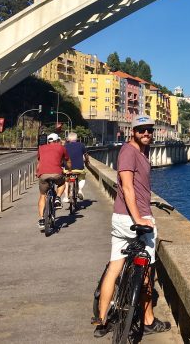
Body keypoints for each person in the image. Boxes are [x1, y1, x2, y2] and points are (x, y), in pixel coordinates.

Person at [93, 115, 170, 338]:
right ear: (132, 132)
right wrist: (138, 218)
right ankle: (147, 320)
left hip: (122, 218)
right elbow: (127, 188)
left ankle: (102, 319)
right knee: (146, 271)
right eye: (141, 130)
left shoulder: (141, 152)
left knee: (114, 267)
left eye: (149, 130)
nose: (146, 133)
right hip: (133, 219)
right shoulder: (128, 151)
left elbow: (138, 186)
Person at [35, 132, 71, 230]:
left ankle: (42, 220)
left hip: (43, 175)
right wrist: (69, 169)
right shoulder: (61, 147)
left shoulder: (41, 148)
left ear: (48, 141)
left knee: (42, 195)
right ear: (57, 141)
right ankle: (58, 198)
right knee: (62, 183)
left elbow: (39, 163)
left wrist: (36, 173)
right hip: (57, 174)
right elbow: (67, 161)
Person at [64, 132, 89, 202]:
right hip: (79, 168)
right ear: (76, 138)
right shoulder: (81, 145)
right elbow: (86, 155)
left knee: (66, 181)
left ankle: (66, 196)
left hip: (68, 169)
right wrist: (87, 162)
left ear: (68, 139)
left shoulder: (65, 146)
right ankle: (80, 190)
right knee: (82, 178)